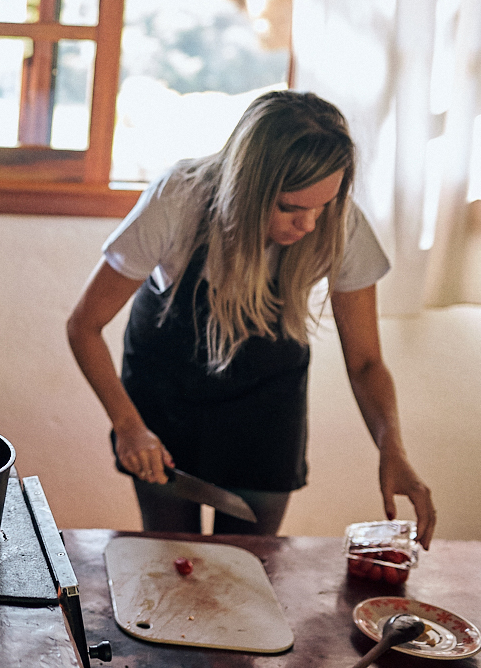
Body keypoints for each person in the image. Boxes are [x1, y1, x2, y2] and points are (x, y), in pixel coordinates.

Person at [65, 90, 436, 548]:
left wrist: (391, 447)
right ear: (247, 186)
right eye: (290, 208)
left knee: (249, 569)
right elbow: (84, 326)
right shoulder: (179, 198)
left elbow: (365, 363)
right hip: (165, 399)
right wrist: (128, 425)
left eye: (323, 206)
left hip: (267, 411)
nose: (310, 226)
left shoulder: (341, 224)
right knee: (169, 563)